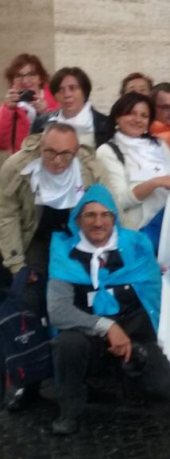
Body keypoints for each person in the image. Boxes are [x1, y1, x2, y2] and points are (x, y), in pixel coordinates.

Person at [47, 184, 170, 434]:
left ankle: (124, 377)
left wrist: (142, 340)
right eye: (90, 215)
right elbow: (58, 311)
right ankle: (70, 409)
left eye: (105, 215)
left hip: (134, 335)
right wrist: (107, 327)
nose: (98, 222)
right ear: (78, 219)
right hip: (86, 336)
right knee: (68, 344)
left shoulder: (137, 245)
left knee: (164, 388)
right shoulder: (64, 253)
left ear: (114, 218)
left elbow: (154, 294)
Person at [0, 123, 110, 412]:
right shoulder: (17, 167)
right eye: (50, 153)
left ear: (76, 151)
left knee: (84, 302)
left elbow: (109, 209)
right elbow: (6, 213)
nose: (58, 161)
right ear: (40, 147)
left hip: (77, 238)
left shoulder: (91, 167)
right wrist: (17, 265)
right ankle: (26, 379)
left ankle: (83, 378)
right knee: (28, 302)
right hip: (35, 238)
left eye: (65, 154)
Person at [96, 93, 170, 251]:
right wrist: (155, 183)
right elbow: (119, 201)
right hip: (137, 235)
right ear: (117, 117)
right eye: (132, 113)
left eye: (144, 115)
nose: (138, 120)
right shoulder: (107, 151)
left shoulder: (159, 144)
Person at [31, 68, 110, 149]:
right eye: (61, 90)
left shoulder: (106, 125)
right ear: (55, 96)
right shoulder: (40, 124)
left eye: (72, 88)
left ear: (84, 91)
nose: (67, 95)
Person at [0, 54, 57, 157]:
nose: (25, 81)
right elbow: (2, 143)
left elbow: (63, 135)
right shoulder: (9, 107)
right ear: (12, 81)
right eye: (19, 76)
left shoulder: (55, 100)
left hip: (51, 161)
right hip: (23, 163)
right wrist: (8, 110)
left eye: (31, 74)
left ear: (40, 78)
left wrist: (46, 113)